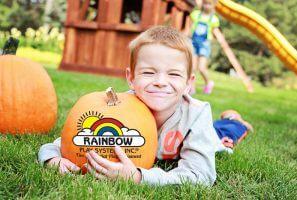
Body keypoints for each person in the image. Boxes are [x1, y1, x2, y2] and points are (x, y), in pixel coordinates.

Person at [38, 26, 252, 186]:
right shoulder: (121, 108)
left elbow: (201, 175)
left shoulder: (196, 114)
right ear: (131, 78)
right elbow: (66, 142)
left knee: (222, 138)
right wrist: (52, 158)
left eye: (174, 74)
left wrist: (139, 176)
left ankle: (233, 120)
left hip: (204, 133)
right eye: (149, 72)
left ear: (188, 83)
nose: (160, 81)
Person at [186, 0, 220, 94]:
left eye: (209, 4)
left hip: (204, 44)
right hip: (193, 42)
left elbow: (214, 32)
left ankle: (208, 83)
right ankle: (191, 88)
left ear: (213, 5)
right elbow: (189, 27)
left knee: (201, 68)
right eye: (205, 3)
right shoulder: (195, 14)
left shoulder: (214, 19)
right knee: (192, 67)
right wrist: (186, 37)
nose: (206, 6)